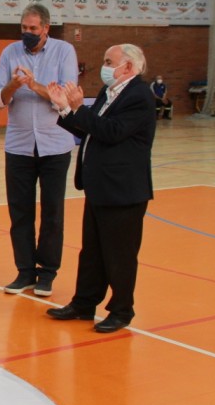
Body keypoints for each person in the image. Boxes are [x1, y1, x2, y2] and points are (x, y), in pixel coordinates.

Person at [46, 44, 156, 334]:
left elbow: (112, 132)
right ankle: (84, 303)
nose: (105, 66)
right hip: (99, 186)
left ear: (129, 67)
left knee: (119, 254)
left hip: (124, 190)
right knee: (92, 251)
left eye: (110, 61)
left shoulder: (140, 96)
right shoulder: (109, 93)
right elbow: (88, 129)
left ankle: (122, 310)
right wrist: (64, 108)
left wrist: (80, 108)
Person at [0, 3, 79, 299]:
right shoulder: (9, 53)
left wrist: (34, 84)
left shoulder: (64, 51)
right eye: (24, 28)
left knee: (52, 211)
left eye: (33, 29)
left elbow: (64, 98)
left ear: (46, 29)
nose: (27, 33)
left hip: (55, 143)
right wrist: (14, 86)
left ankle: (48, 272)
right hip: (18, 145)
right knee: (20, 212)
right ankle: (25, 271)